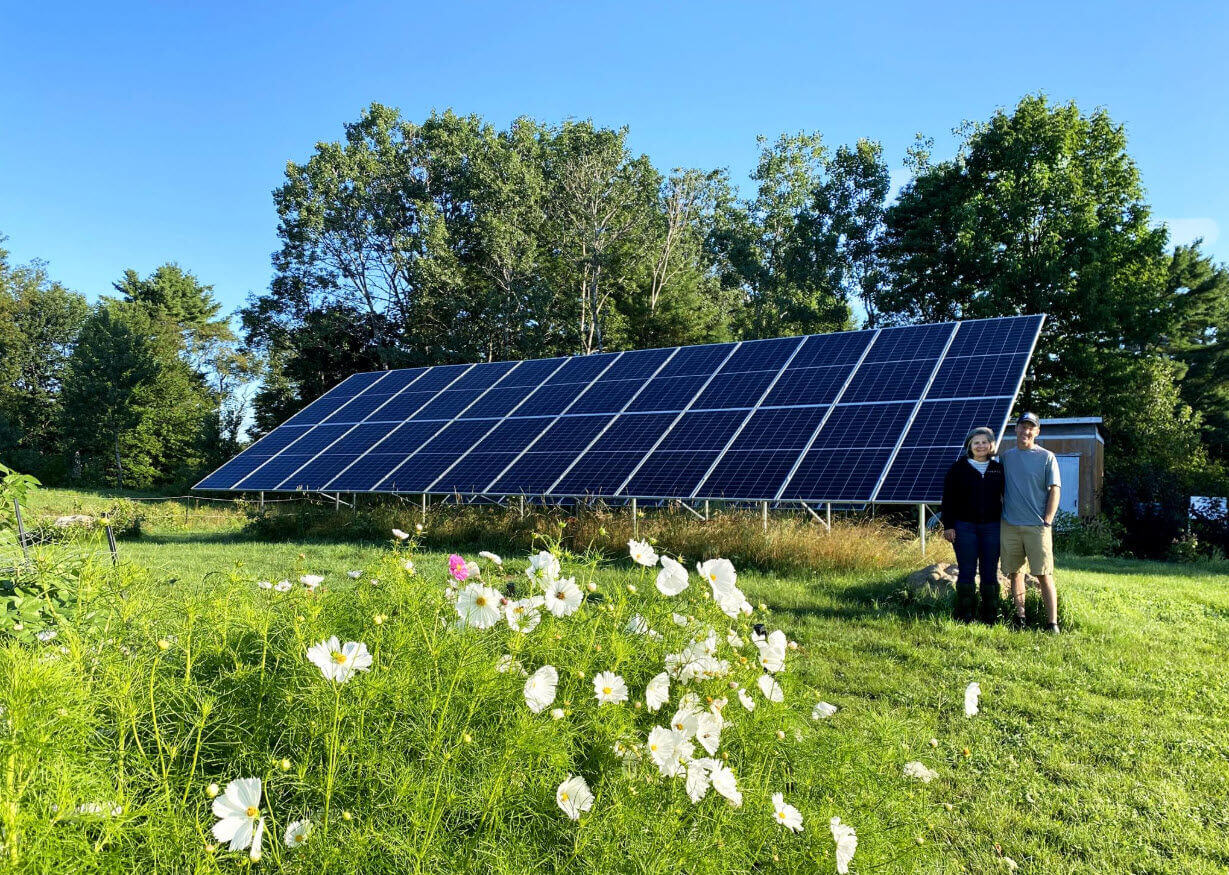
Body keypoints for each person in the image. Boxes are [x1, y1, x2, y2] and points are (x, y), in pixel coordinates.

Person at [1000, 413, 1062, 633]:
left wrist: (1048, 519)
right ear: (1015, 429)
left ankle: (1052, 623)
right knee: (1015, 573)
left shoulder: (1046, 457)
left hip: (1037, 527)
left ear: (1037, 432)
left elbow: (1055, 489)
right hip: (1010, 525)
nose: (1026, 431)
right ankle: (1020, 618)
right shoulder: (1006, 457)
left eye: (1031, 427)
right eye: (1022, 426)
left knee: (1043, 574)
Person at [942, 427, 1006, 623]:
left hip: (992, 528)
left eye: (984, 442)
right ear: (969, 445)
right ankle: (965, 615)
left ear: (991, 445)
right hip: (964, 528)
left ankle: (990, 615)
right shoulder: (957, 469)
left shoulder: (998, 469)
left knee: (990, 571)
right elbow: (948, 499)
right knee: (967, 571)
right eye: (976, 442)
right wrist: (948, 526)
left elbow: (1007, 497)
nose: (980, 446)